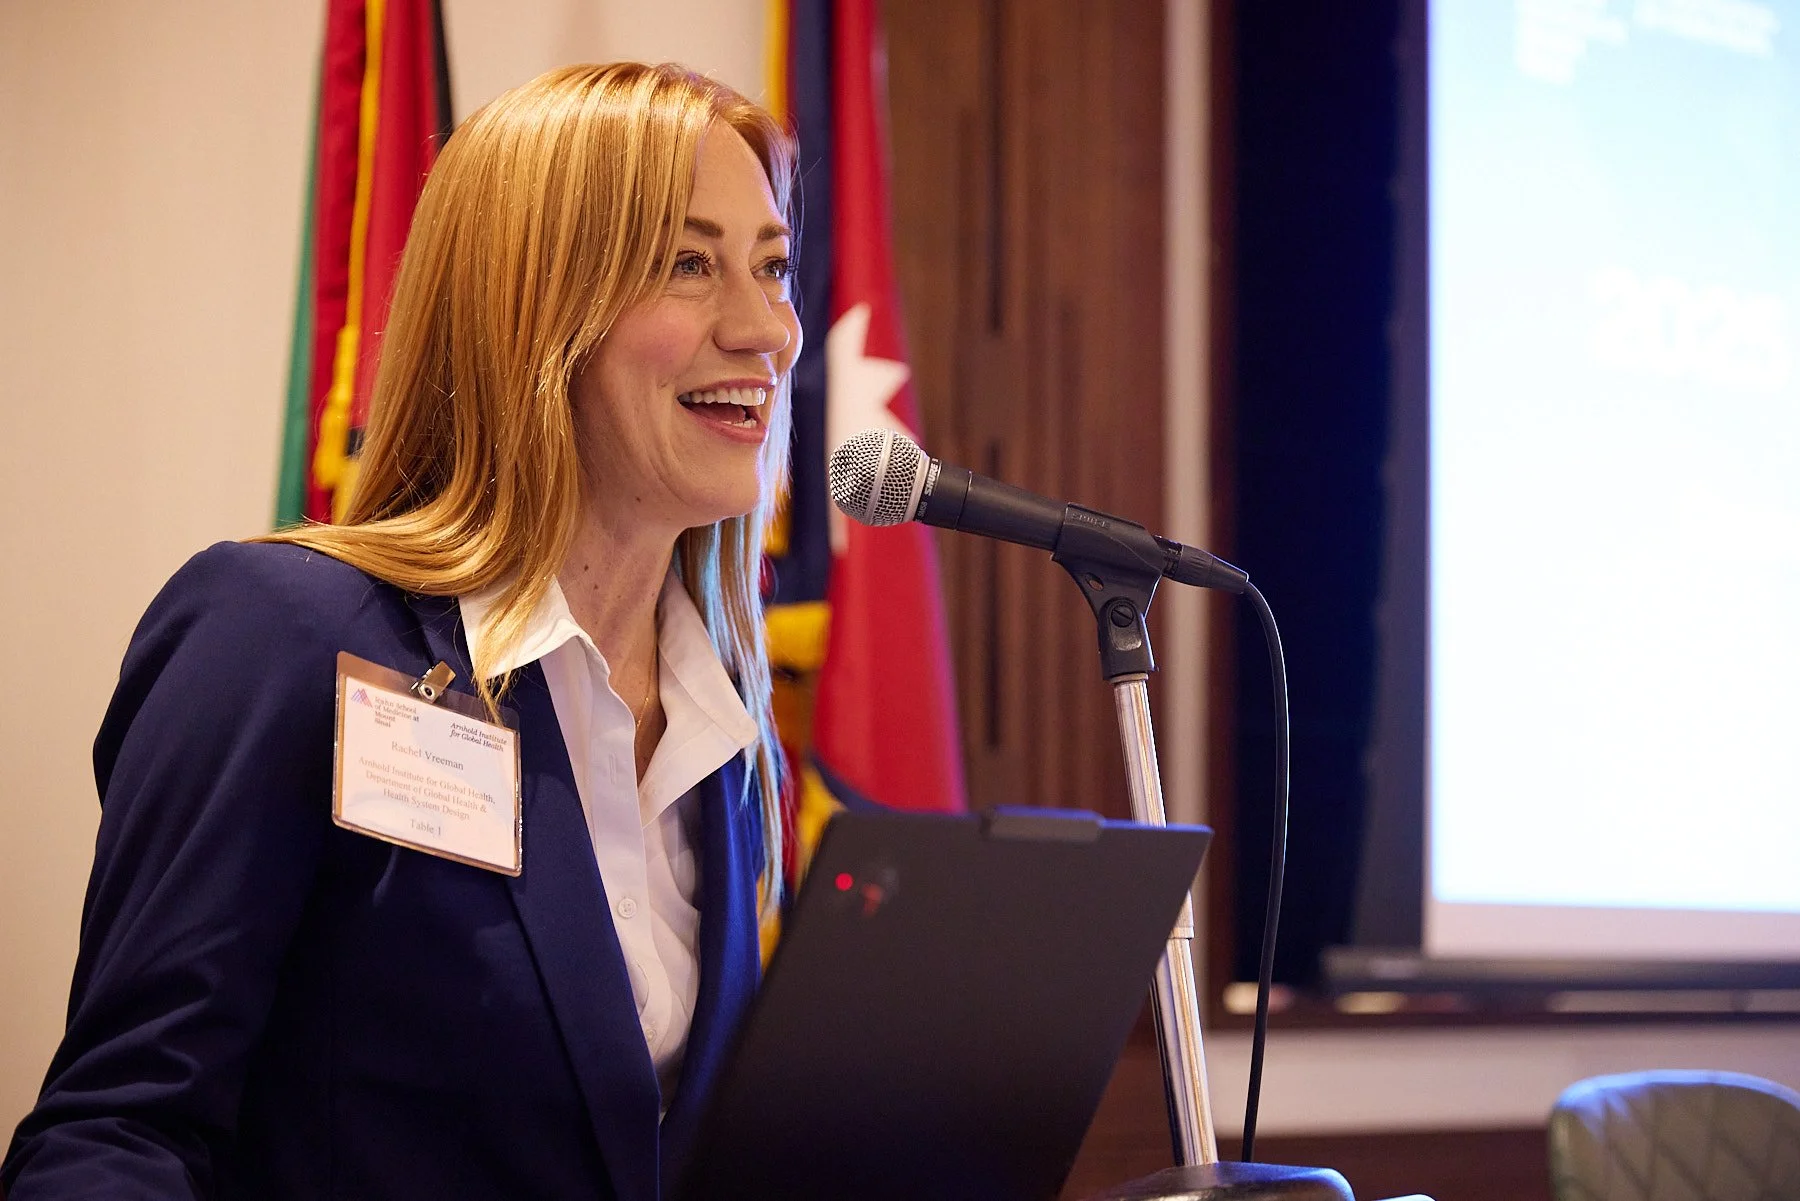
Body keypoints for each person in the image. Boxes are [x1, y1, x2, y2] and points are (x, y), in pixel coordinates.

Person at [3, 61, 799, 1201]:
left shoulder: (718, 725)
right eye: (688, 262)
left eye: (773, 266)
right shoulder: (281, 637)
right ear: (534, 310)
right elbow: (117, 1138)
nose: (764, 326)